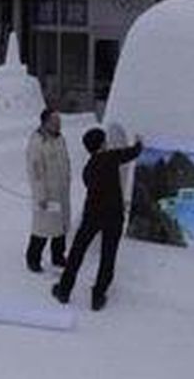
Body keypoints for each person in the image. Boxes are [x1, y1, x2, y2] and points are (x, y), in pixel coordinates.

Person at [51, 127, 142, 311]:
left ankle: (64, 289)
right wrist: (139, 142)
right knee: (108, 255)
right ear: (102, 144)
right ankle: (98, 295)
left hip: (92, 215)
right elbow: (133, 152)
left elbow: (88, 183)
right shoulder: (111, 157)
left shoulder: (89, 168)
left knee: (77, 251)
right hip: (114, 216)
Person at [25, 108, 71, 272]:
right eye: (55, 121)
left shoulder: (60, 139)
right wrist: (40, 195)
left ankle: (58, 256)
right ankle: (33, 258)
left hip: (61, 191)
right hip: (47, 194)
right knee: (42, 228)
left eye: (59, 121)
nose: (58, 125)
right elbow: (35, 172)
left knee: (61, 226)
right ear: (45, 123)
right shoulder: (37, 143)